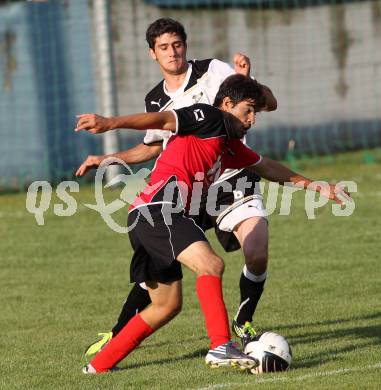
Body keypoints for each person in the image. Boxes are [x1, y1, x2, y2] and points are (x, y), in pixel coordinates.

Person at [76, 75, 349, 374]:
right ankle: (220, 346)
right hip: (158, 209)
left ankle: (97, 367)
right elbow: (163, 119)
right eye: (248, 110)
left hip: (154, 216)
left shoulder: (228, 145)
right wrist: (109, 123)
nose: (253, 119)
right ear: (227, 104)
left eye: (256, 112)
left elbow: (266, 166)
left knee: (166, 305)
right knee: (211, 264)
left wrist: (318, 187)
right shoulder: (208, 116)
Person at [77, 18, 277, 355]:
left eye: (177, 44)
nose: (172, 53)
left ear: (186, 44)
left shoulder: (213, 70)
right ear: (152, 54)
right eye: (164, 47)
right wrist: (109, 157)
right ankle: (116, 333)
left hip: (230, 178)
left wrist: (246, 80)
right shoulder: (155, 99)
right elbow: (154, 146)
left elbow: (265, 102)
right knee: (160, 266)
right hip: (188, 189)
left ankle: (243, 323)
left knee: (256, 252)